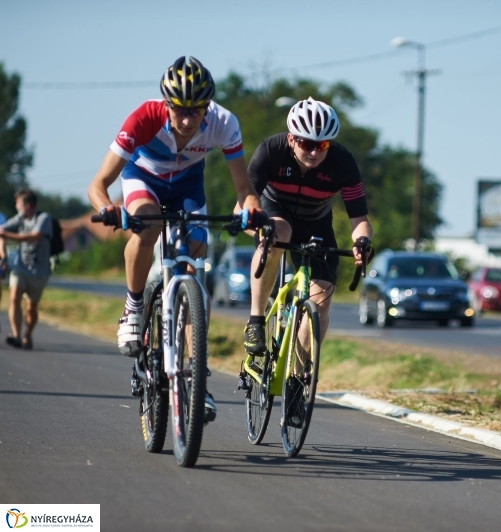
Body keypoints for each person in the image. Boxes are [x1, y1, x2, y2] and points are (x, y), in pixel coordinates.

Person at [87, 55, 263, 423]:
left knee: (195, 263)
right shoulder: (143, 118)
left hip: (187, 186)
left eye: (196, 111)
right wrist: (108, 209)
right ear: (165, 104)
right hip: (144, 179)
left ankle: (196, 376)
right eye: (179, 110)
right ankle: (135, 307)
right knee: (148, 226)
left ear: (207, 107)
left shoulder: (224, 123)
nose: (187, 120)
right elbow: (98, 184)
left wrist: (250, 208)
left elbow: (244, 187)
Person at [242, 97, 373, 359]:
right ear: (291, 139)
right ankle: (256, 321)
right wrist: (259, 230)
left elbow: (360, 220)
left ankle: (299, 381)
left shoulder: (342, 162)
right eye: (307, 144)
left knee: (321, 299)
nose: (314, 152)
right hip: (275, 210)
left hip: (317, 221)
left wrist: (362, 243)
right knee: (280, 234)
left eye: (322, 145)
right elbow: (243, 204)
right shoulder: (271, 150)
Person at [0, 188, 53, 350]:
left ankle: (27, 335)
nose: (16, 206)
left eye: (18, 203)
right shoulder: (20, 218)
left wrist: (8, 236)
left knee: (31, 307)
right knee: (14, 297)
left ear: (28, 205)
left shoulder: (44, 218)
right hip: (20, 267)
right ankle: (16, 335)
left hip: (39, 271)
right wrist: (3, 254)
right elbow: (2, 231)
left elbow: (33, 236)